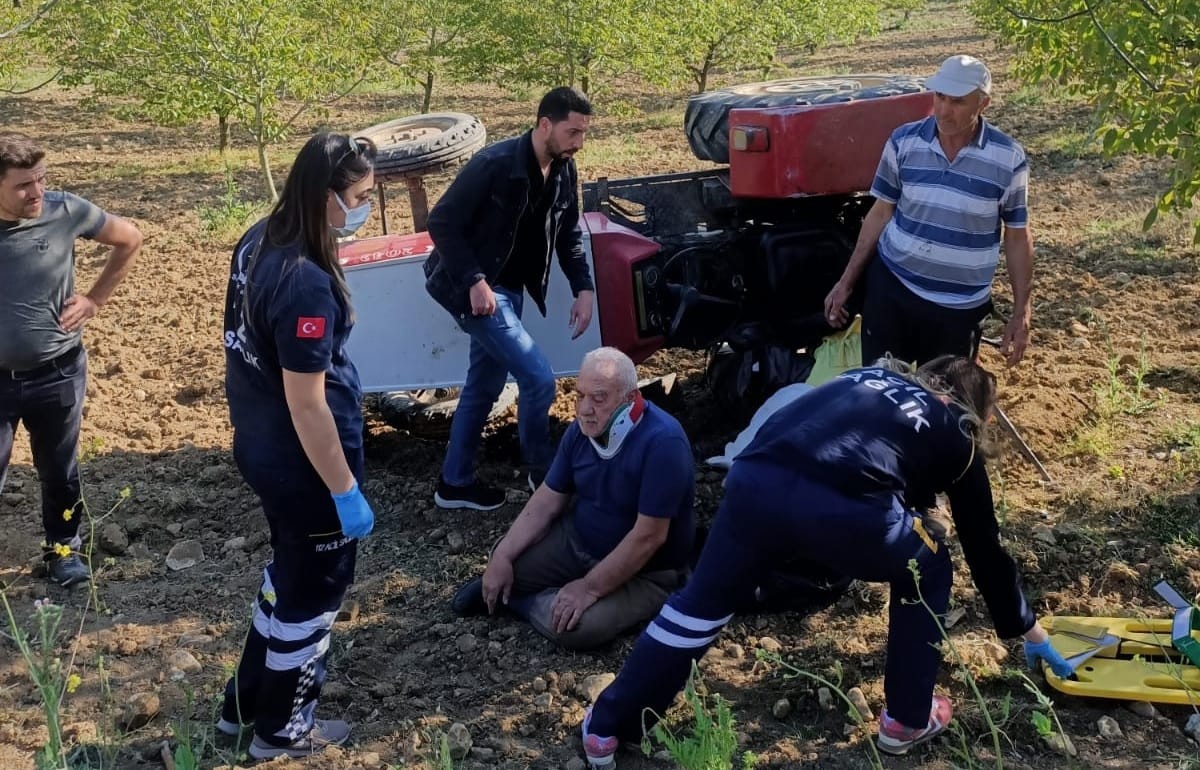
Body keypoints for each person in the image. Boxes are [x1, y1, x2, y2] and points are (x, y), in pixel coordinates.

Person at [579, 356, 1073, 768]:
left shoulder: (869, 377)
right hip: (842, 508)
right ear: (975, 412)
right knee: (931, 564)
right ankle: (906, 718)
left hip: (755, 478)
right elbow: (984, 548)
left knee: (699, 605)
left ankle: (606, 729)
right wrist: (1026, 628)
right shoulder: (957, 430)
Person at [218, 132, 378, 760]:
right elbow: (307, 401)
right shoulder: (306, 282)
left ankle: (242, 709)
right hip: (305, 462)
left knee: (285, 580)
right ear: (326, 196)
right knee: (313, 597)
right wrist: (344, 490)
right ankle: (282, 732)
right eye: (360, 198)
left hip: (261, 445)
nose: (363, 209)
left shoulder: (261, 236)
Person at [450, 347, 694, 651]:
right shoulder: (580, 431)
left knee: (580, 627)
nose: (585, 408)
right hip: (577, 541)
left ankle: (519, 602)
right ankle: (527, 595)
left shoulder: (663, 442)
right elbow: (546, 501)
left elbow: (649, 537)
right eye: (580, 395)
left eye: (599, 398)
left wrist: (589, 589)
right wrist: (501, 557)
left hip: (648, 572)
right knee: (506, 561)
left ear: (629, 398)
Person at [424, 86, 596, 511]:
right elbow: (441, 221)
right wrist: (474, 280)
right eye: (572, 132)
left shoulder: (563, 170)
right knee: (538, 378)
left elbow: (570, 234)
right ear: (544, 125)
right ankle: (546, 474)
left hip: (510, 290)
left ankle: (454, 483)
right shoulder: (494, 164)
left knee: (483, 385)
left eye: (582, 134)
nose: (578, 143)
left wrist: (584, 288)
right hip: (479, 290)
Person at [824, 55, 1034, 368]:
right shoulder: (903, 142)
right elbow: (880, 213)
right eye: (939, 97)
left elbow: (1017, 236)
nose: (944, 110)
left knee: (942, 404)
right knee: (881, 393)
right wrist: (846, 282)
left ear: (983, 103)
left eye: (958, 102)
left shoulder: (1007, 159)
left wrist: (1022, 312)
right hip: (895, 290)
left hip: (959, 309)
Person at [0, 132, 142, 587]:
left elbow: (130, 238)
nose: (37, 192)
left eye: (41, 179)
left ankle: (63, 551)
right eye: (24, 184)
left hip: (57, 371)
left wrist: (95, 300)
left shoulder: (65, 211)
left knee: (60, 471)